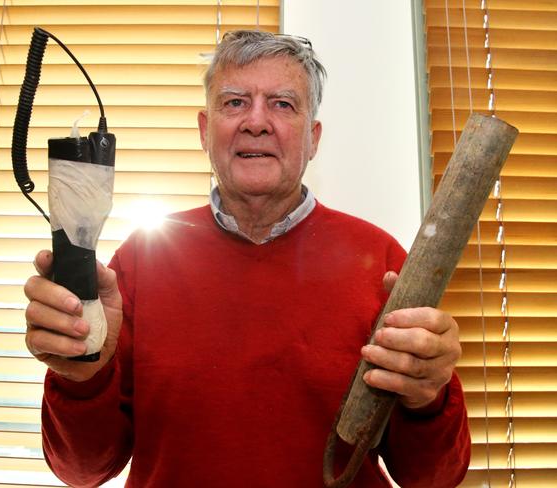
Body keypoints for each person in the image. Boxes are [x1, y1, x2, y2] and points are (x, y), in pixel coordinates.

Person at [24, 30, 471, 488]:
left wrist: (428, 397)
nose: (255, 121)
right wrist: (82, 375)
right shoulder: (140, 260)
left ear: (313, 138)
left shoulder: (381, 262)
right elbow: (81, 470)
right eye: (234, 102)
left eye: (282, 104)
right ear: (204, 129)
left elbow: (434, 479)